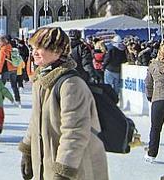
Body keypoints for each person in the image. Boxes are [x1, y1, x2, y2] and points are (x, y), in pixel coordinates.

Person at [19, 26, 109, 180]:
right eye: (33, 47)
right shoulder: (41, 80)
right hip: (49, 163)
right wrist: (27, 149)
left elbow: (75, 132)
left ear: (57, 51)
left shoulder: (71, 84)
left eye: (40, 47)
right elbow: (36, 120)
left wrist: (63, 172)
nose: (34, 52)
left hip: (77, 169)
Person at [0, 36, 22, 104]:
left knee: (1, 86)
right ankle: (18, 100)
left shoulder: (3, 50)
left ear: (2, 42)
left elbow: (1, 62)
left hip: (6, 70)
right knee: (14, 85)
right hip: (14, 69)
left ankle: (0, 100)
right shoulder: (11, 48)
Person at [103, 35, 126, 100]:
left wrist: (103, 66)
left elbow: (107, 59)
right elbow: (124, 59)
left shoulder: (111, 49)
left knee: (108, 85)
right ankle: (115, 98)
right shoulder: (122, 49)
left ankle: (108, 99)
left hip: (109, 69)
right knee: (117, 86)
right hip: (118, 70)